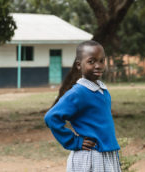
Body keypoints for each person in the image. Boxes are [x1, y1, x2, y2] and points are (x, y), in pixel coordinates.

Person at [44, 40, 121, 172]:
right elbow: (51, 117)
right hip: (91, 156)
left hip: (107, 153)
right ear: (79, 65)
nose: (98, 66)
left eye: (101, 61)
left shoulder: (102, 89)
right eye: (91, 61)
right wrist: (74, 142)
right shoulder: (78, 92)